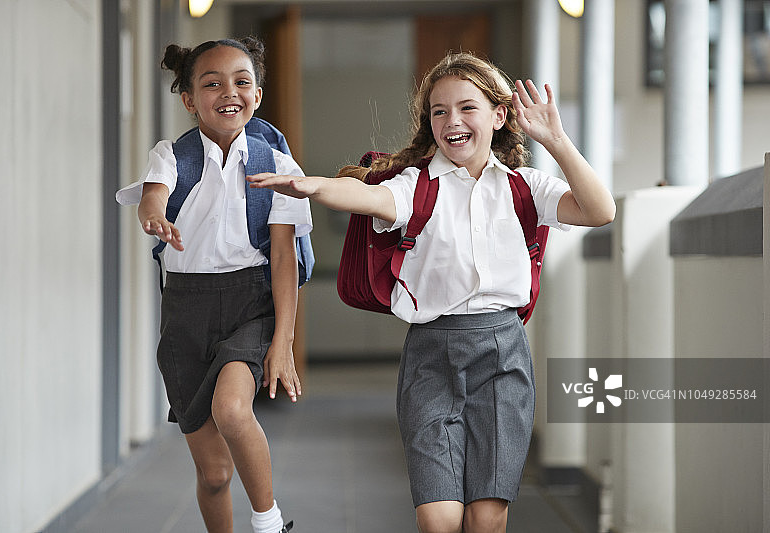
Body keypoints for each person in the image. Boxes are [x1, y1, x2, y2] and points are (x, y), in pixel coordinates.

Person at [248, 52, 615, 533]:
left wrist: (557, 140)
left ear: (499, 116)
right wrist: (313, 186)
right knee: (439, 518)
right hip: (431, 356)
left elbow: (599, 210)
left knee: (487, 517)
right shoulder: (416, 185)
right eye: (438, 111)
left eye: (468, 107)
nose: (452, 121)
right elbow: (371, 198)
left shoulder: (527, 187)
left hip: (504, 356)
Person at [116, 37, 311, 533]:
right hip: (185, 315)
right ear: (189, 100)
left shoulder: (277, 163)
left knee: (231, 407)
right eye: (212, 83)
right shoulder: (171, 155)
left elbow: (284, 255)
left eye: (242, 81)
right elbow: (152, 199)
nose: (230, 92)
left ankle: (270, 525)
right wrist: (155, 217)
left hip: (251, 303)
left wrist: (283, 340)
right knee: (215, 473)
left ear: (258, 95)